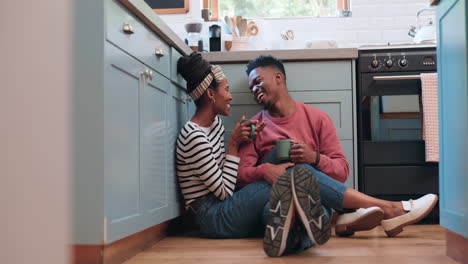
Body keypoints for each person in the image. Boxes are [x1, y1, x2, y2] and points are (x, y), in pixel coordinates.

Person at [237, 55, 438, 251]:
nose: (254, 89)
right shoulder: (255, 127)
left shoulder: (317, 118)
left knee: (313, 204)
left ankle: (304, 235)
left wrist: (314, 158)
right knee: (296, 174)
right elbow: (242, 176)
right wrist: (267, 169)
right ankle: (386, 210)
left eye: (258, 81)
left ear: (278, 77)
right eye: (251, 87)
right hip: (274, 199)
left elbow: (341, 171)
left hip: (312, 199)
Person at [176, 53, 334, 258]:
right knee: (291, 174)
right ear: (210, 95)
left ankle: (293, 231)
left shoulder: (213, 124)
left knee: (281, 153)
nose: (231, 96)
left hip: (223, 203)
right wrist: (234, 144)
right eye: (226, 89)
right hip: (212, 216)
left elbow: (221, 178)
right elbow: (224, 192)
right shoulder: (194, 136)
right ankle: (349, 204)